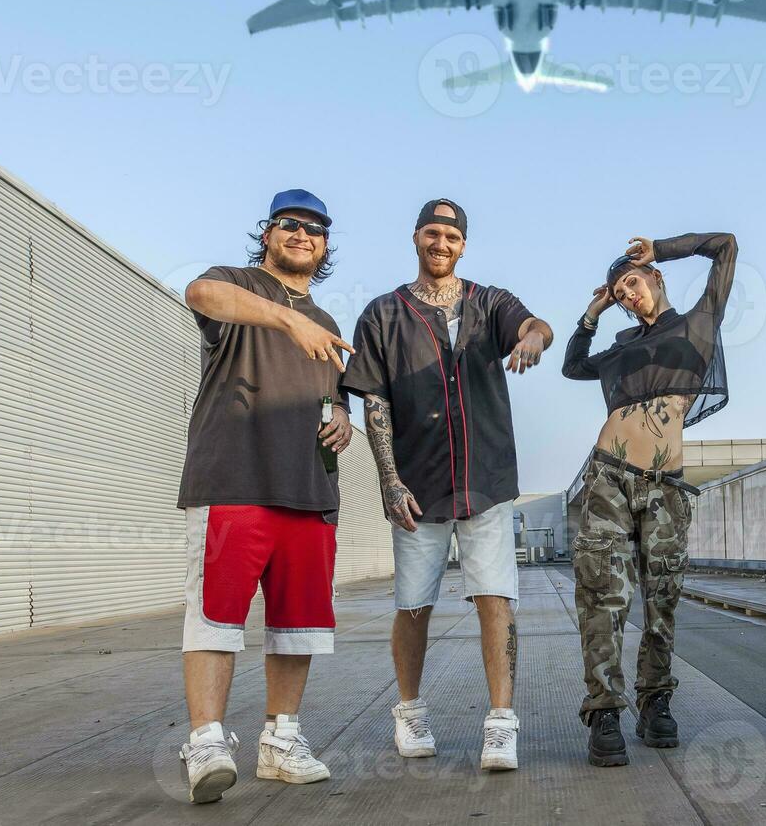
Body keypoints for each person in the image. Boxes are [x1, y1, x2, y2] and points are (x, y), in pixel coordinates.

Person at [341, 198, 555, 773]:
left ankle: (501, 724)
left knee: (496, 599)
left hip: (484, 482)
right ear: (416, 238)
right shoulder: (383, 314)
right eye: (433, 233)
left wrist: (531, 341)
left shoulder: (490, 303)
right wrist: (389, 480)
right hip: (419, 486)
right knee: (413, 605)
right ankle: (410, 711)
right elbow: (374, 402)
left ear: (464, 245)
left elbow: (536, 326)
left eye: (452, 236)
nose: (442, 244)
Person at [174, 189, 357, 803]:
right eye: (289, 224)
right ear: (269, 233)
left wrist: (343, 421)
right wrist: (285, 316)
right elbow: (199, 294)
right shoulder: (237, 284)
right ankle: (205, 742)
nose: (302, 234)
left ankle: (280, 743)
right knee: (215, 619)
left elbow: (335, 393)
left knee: (298, 628)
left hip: (309, 489)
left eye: (315, 229)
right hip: (235, 481)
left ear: (325, 245)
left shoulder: (330, 325)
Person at [562, 231, 737, 767]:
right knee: (603, 596)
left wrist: (659, 248)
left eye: (632, 283)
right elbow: (573, 364)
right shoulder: (618, 347)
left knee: (661, 599)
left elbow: (726, 246)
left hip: (666, 486)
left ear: (654, 279)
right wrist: (593, 310)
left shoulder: (698, 324)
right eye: (619, 291)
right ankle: (605, 708)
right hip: (608, 479)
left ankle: (655, 700)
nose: (627, 295)